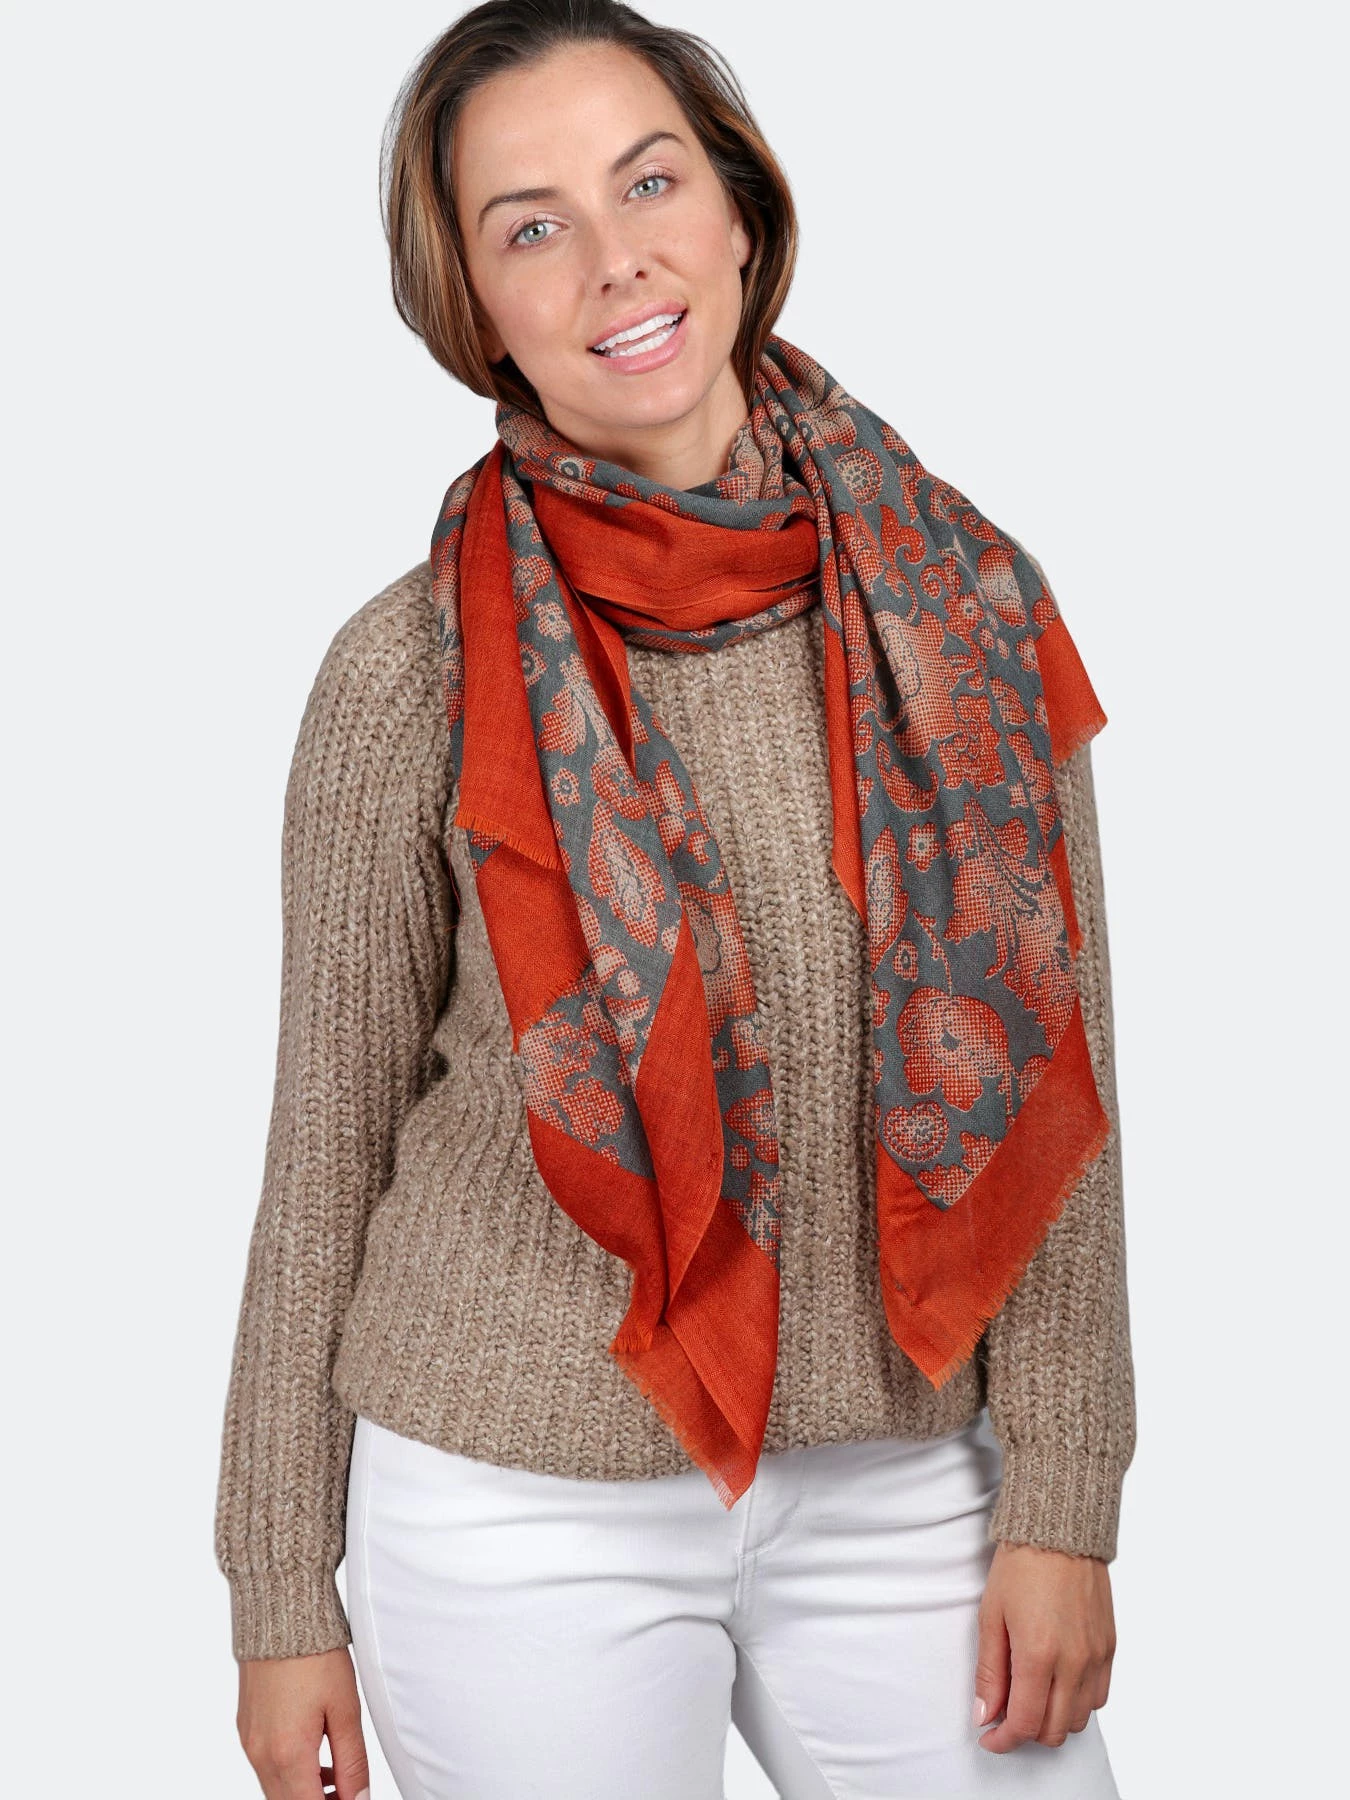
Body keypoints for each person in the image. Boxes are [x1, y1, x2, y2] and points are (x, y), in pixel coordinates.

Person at [213, 2, 1137, 1796]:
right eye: (530, 225)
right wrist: (275, 1596)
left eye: (648, 184)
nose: (613, 260)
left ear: (737, 210)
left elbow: (1054, 1080)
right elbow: (322, 1151)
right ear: (475, 306)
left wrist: (1065, 1496)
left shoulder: (962, 608)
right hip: (514, 1496)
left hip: (906, 1475)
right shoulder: (409, 674)